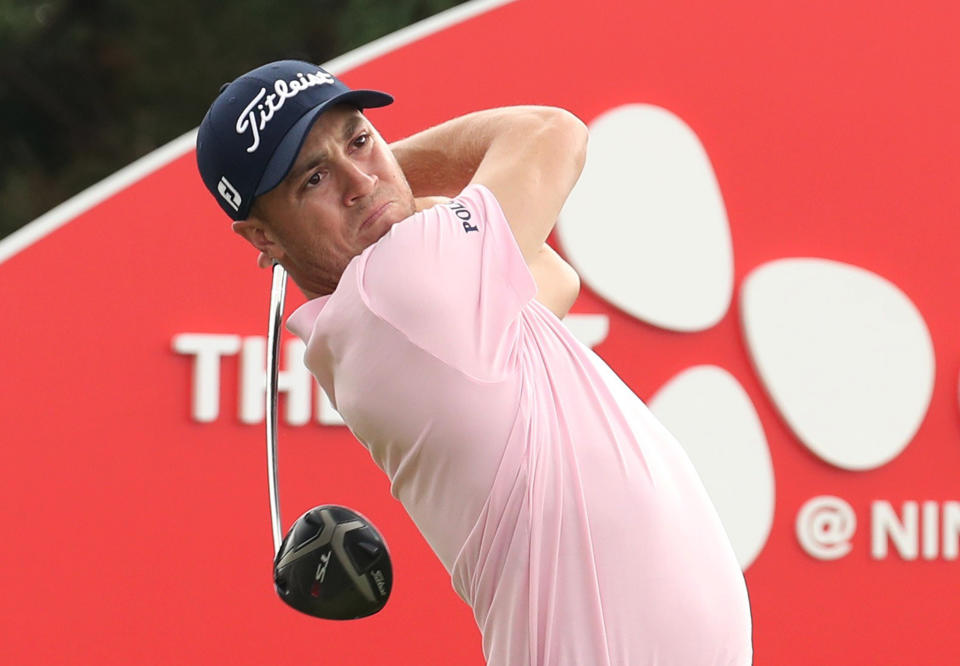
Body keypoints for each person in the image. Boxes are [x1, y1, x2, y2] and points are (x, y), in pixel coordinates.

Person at [197, 60, 752, 665]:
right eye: (313, 180)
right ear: (263, 240)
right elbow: (550, 133)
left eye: (360, 139)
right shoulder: (404, 284)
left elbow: (552, 280)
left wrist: (375, 192)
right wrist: (391, 180)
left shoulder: (391, 310)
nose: (358, 179)